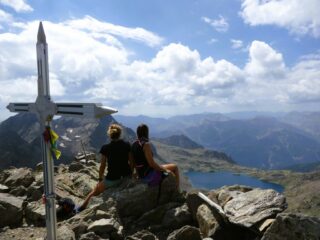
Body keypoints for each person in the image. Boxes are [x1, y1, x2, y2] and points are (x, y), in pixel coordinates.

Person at [78, 123, 133, 211]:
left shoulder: (106, 148)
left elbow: (102, 165)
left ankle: (80, 209)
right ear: (120, 134)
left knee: (94, 191)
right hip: (126, 176)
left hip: (113, 179)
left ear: (110, 135)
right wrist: (131, 174)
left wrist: (100, 179)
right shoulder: (127, 145)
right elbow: (131, 161)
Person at [131, 123, 180, 189]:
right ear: (146, 132)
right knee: (175, 167)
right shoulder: (146, 145)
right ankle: (177, 191)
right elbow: (151, 164)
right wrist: (165, 170)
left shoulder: (134, 144)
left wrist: (136, 174)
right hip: (148, 176)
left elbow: (133, 162)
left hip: (141, 174)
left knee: (165, 167)